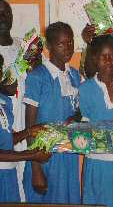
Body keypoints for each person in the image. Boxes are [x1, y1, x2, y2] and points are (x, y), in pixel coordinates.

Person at [23, 22, 81, 204]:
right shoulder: (38, 77)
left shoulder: (75, 76)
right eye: (60, 43)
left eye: (70, 42)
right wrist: (36, 167)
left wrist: (75, 117)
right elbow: (30, 126)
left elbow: (79, 110)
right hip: (44, 157)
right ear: (49, 46)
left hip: (68, 156)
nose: (67, 48)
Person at [79, 34, 113, 207]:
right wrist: (109, 123)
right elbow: (85, 127)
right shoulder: (86, 89)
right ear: (95, 58)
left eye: (112, 56)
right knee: (97, 201)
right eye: (103, 56)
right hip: (97, 160)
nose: (108, 60)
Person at [0, 54, 50, 202]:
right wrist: (30, 155)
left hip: (9, 173)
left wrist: (29, 131)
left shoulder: (4, 102)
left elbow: (6, 140)